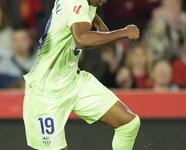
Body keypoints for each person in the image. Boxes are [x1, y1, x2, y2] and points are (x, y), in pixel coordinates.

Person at [23, 0, 140, 150]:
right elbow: (81, 40)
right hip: (45, 92)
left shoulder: (83, 3)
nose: (104, 1)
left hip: (73, 81)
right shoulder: (75, 2)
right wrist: (123, 32)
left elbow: (98, 32)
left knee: (129, 124)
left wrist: (95, 18)